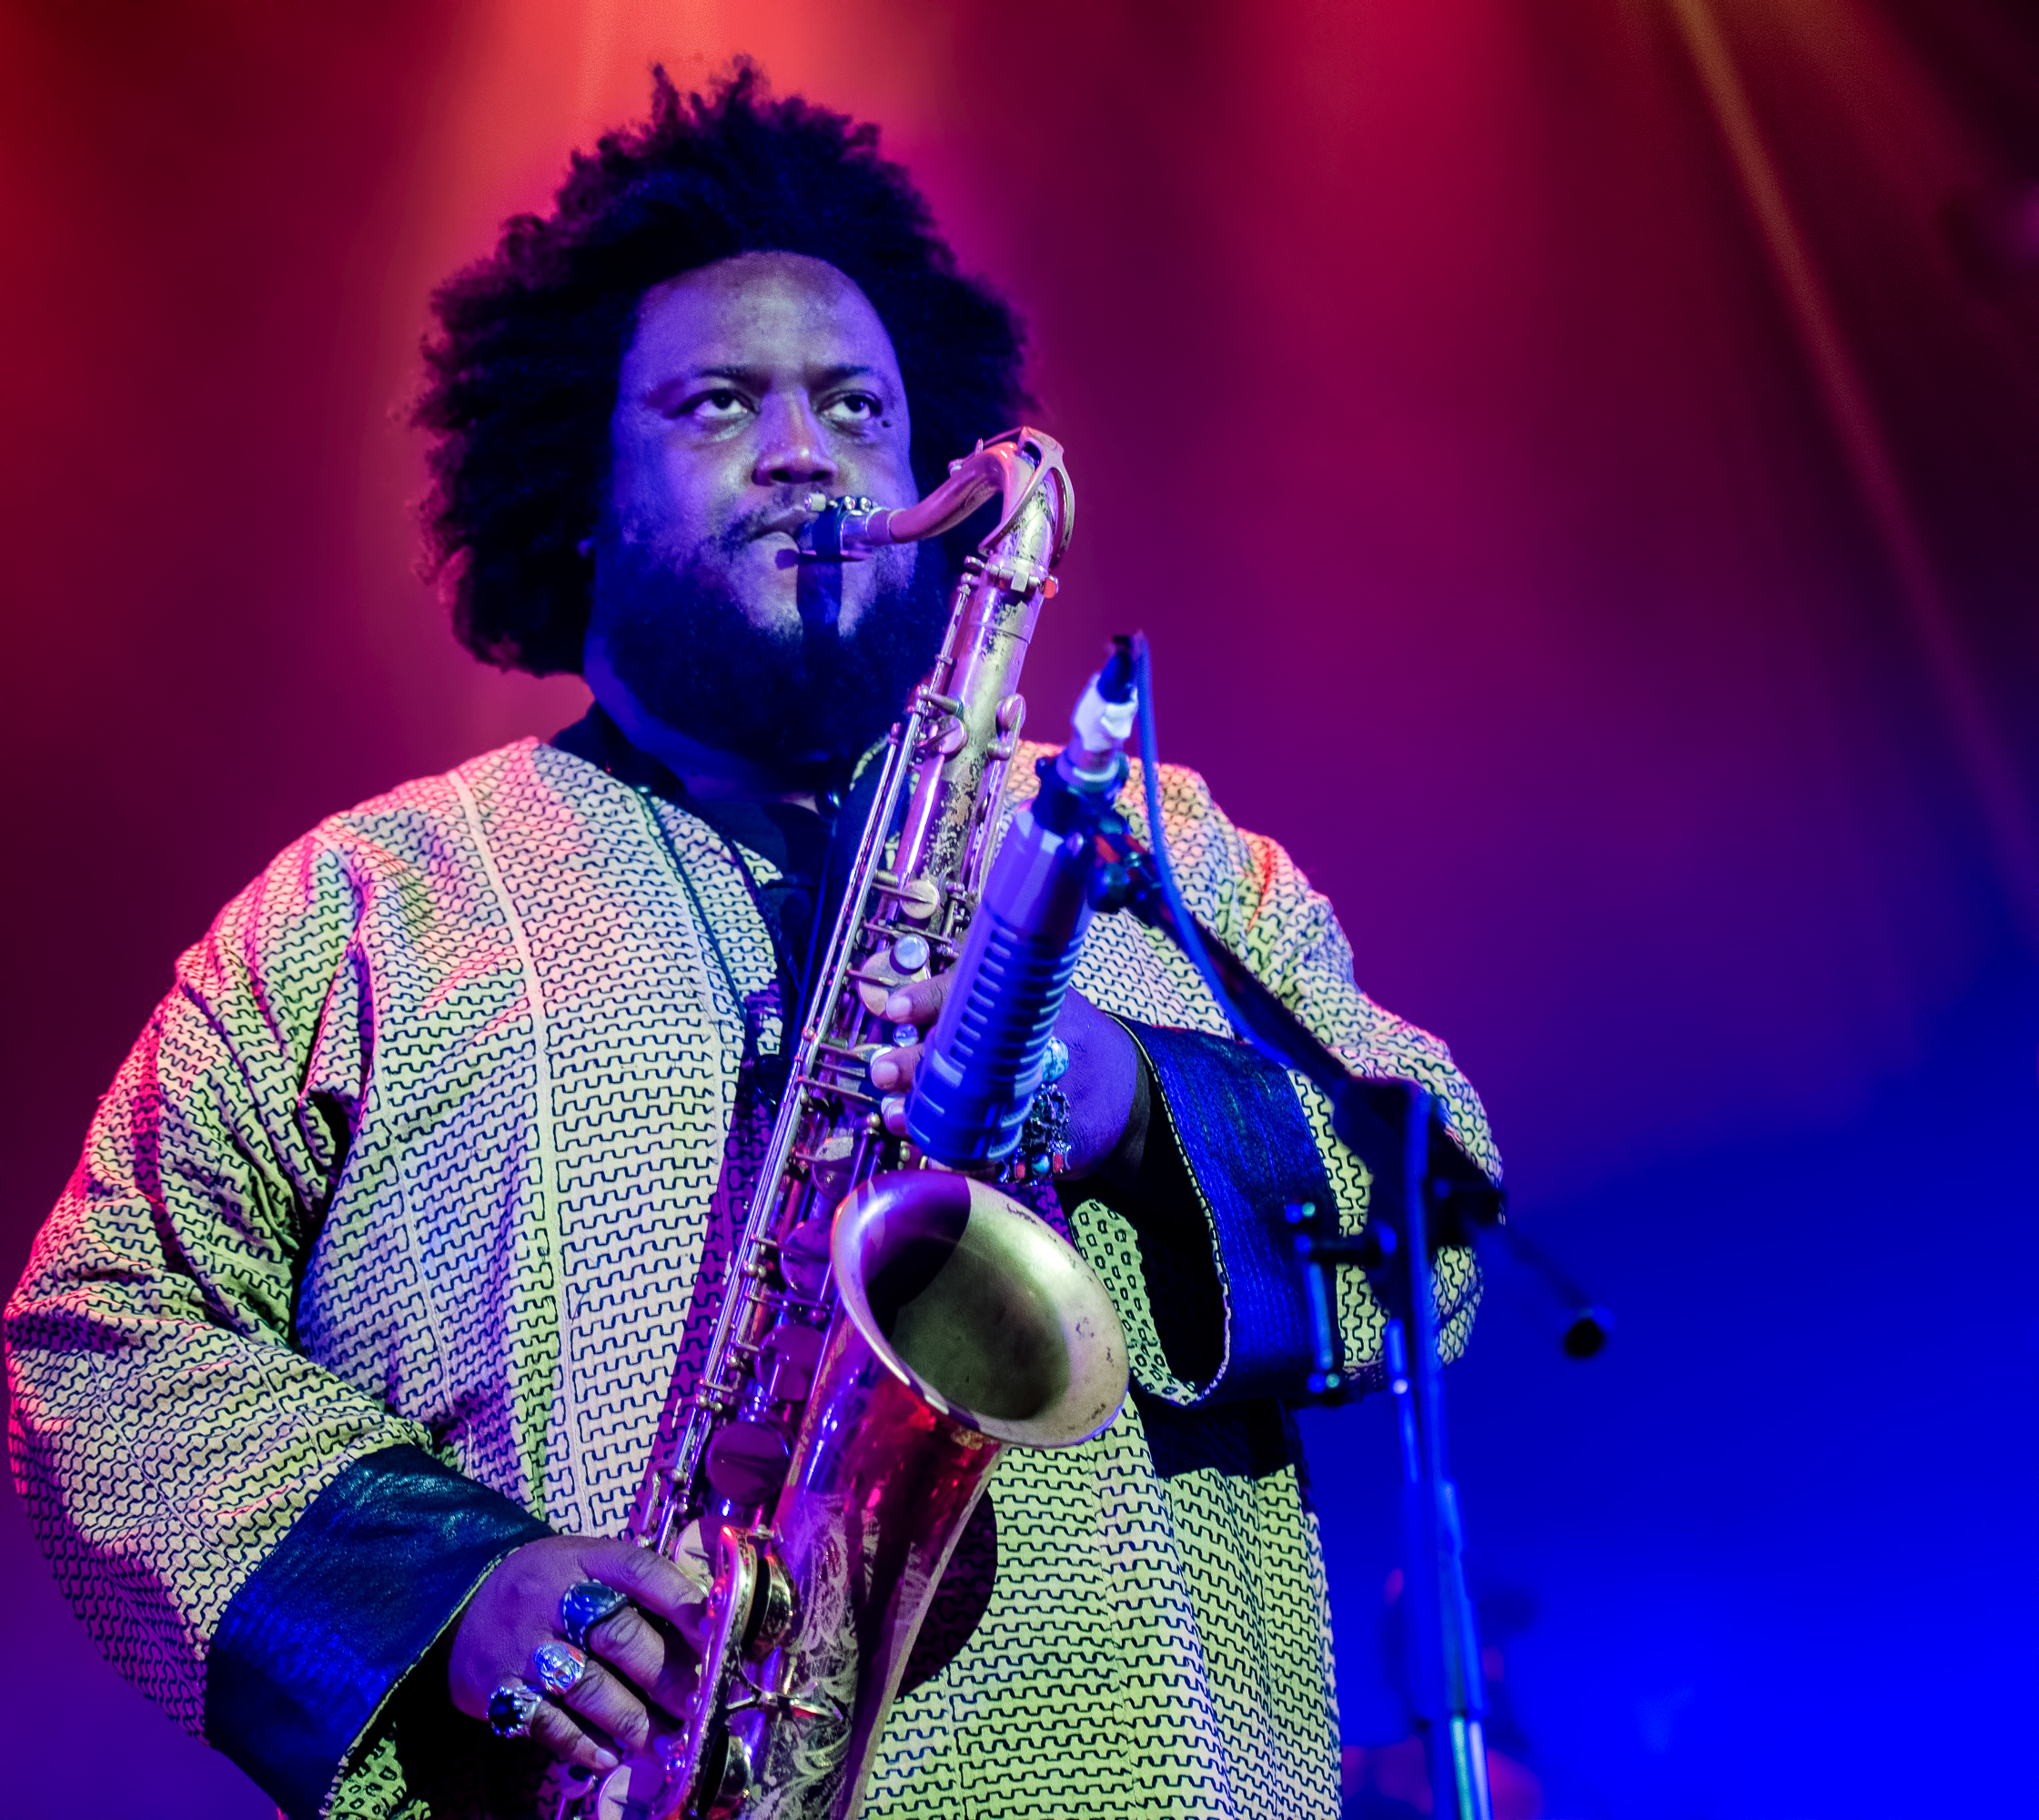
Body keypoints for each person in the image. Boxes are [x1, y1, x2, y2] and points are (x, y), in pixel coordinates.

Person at [4, 68, 1497, 1820]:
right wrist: (446, 1590)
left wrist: (1123, 1097)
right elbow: (91, 1334)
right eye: (723, 403)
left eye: (856, 410)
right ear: (580, 485)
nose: (806, 455)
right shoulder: (359, 908)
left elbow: (1442, 1226)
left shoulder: (1170, 858)